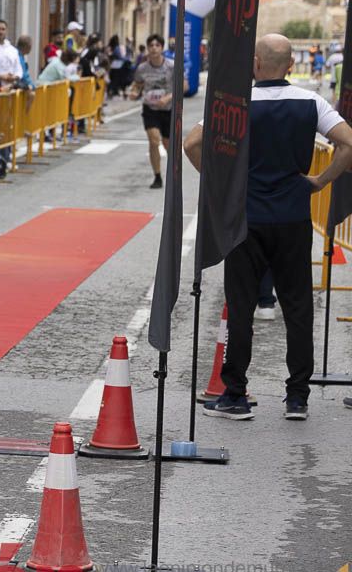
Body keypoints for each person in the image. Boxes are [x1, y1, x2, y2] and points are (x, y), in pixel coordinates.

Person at [184, 33, 352, 421]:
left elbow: (193, 143)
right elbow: (347, 143)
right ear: (291, 65)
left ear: (255, 64)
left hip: (247, 218)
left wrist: (222, 187)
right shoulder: (311, 101)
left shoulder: (237, 103)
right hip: (293, 215)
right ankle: (297, 398)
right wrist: (320, 181)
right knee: (297, 306)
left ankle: (236, 394)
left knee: (241, 305)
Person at [128, 33, 173, 189]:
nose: (154, 49)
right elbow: (138, 84)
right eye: (151, 46)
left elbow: (184, 87)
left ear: (162, 48)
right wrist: (134, 93)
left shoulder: (171, 66)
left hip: (168, 109)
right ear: (147, 48)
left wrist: (168, 98)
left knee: (168, 146)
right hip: (150, 109)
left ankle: (174, 176)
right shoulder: (142, 68)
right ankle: (157, 176)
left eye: (157, 45)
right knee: (154, 141)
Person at [0, 19, 22, 85]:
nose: (0, 32)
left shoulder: (13, 50)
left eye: (3, 29)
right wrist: (2, 77)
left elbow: (18, 69)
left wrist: (15, 77)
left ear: (6, 31)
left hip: (11, 87)